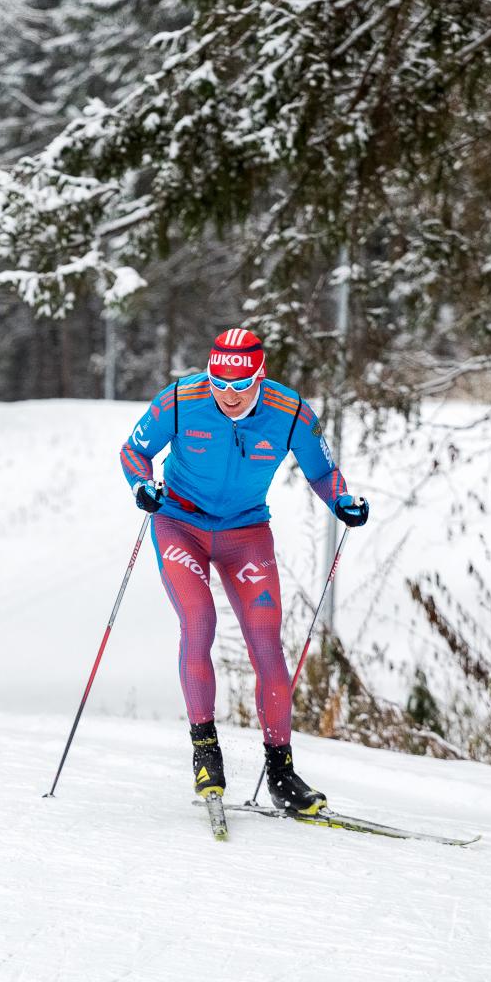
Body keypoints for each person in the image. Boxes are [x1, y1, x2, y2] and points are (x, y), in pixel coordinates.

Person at [118, 327, 370, 814]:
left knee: (266, 642)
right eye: (220, 383)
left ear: (260, 377)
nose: (229, 396)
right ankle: (206, 753)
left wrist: (341, 500)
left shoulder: (291, 411)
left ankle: (281, 772)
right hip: (180, 523)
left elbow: (321, 470)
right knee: (199, 623)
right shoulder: (180, 399)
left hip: (246, 532)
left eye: (241, 385)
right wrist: (141, 486)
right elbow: (134, 452)